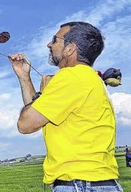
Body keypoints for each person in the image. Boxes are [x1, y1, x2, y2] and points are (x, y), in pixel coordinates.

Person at [9, 21, 122, 192]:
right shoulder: (87, 78)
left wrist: (44, 94)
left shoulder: (71, 76)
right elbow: (39, 116)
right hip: (95, 182)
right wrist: (25, 77)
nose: (49, 44)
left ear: (70, 49)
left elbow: (25, 124)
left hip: (80, 184)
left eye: (55, 40)